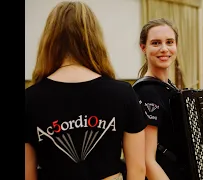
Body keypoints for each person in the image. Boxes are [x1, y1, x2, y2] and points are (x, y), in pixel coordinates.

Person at [25, 1, 146, 180]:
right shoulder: (123, 93)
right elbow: (138, 170)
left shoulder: (30, 99)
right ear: (94, 39)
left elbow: (28, 175)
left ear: (49, 41)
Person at [132, 18, 188, 180]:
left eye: (169, 42)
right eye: (156, 43)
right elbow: (147, 160)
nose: (164, 49)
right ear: (143, 47)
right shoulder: (147, 92)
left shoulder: (169, 87)